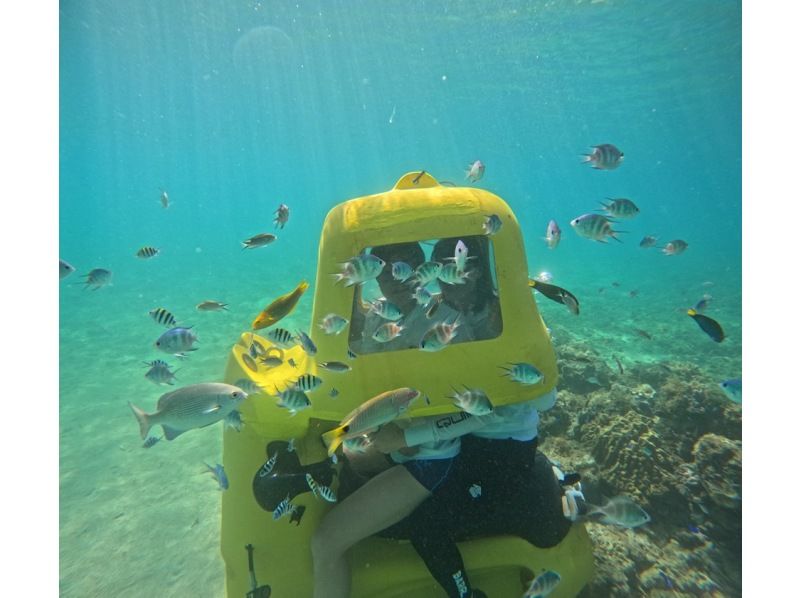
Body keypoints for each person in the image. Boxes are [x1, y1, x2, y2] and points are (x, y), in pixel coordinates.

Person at [311, 236, 504, 598]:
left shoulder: (448, 323)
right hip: (386, 450)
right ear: (376, 279)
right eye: (386, 273)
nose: (396, 282)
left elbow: (480, 415)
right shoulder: (378, 317)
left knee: (325, 542)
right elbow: (355, 361)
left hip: (430, 461)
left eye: (406, 271)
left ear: (423, 272)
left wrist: (408, 438)